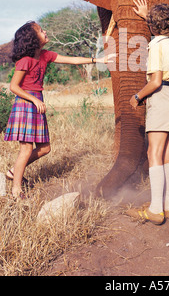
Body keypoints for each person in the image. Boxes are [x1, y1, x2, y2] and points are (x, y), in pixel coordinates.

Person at [4, 21, 115, 199]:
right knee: (25, 149)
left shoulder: (45, 55)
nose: (45, 31)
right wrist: (33, 99)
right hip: (25, 103)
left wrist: (98, 60)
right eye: (41, 30)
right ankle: (16, 190)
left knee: (45, 148)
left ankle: (13, 171)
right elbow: (14, 87)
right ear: (33, 38)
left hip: (37, 102)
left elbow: (72, 60)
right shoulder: (25, 60)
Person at [127, 0, 169, 225]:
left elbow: (156, 81)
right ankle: (168, 208)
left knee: (154, 154)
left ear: (152, 27)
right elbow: (160, 32)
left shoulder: (155, 46)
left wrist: (137, 97)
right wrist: (148, 16)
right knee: (168, 155)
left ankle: (154, 211)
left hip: (161, 98)